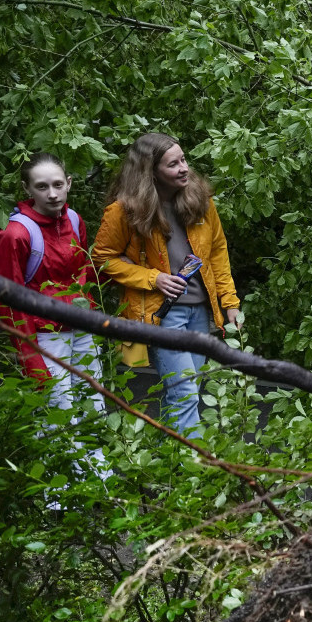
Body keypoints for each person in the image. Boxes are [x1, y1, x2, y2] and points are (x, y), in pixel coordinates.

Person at [93, 133, 241, 438]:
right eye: (173, 164)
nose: (184, 168)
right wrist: (153, 277)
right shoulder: (124, 210)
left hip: (200, 311)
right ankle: (197, 472)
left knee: (186, 393)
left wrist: (230, 302)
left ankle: (168, 468)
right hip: (162, 313)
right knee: (184, 394)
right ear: (151, 171)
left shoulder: (200, 199)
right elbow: (102, 258)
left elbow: (216, 252)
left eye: (184, 159)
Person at [0, 152, 110, 489]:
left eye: (58, 184)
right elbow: (9, 303)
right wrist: (32, 359)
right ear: (28, 189)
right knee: (58, 414)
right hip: (43, 336)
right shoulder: (15, 235)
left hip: (80, 330)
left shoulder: (74, 220)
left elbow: (84, 273)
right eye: (42, 187)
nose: (52, 193)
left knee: (93, 407)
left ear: (69, 184)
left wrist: (91, 319)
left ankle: (99, 486)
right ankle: (60, 500)